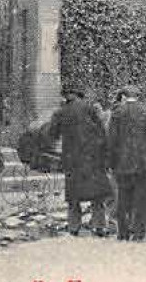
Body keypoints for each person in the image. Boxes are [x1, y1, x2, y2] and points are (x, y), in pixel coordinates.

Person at [43, 88, 113, 236]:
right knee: (97, 195)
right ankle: (99, 225)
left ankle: (74, 227)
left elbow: (51, 134)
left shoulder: (62, 112)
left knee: (74, 196)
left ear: (66, 96)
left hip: (72, 159)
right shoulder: (90, 108)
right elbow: (102, 132)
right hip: (93, 158)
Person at [107, 85, 146, 241]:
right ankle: (139, 232)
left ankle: (123, 232)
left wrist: (111, 161)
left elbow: (112, 140)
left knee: (123, 198)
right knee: (140, 197)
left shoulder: (117, 112)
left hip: (122, 163)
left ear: (125, 96)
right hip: (143, 163)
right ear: (139, 96)